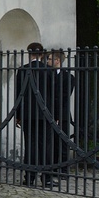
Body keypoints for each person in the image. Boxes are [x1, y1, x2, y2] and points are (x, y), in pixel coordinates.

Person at [15, 42, 56, 188]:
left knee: (30, 145)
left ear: (29, 53)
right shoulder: (49, 70)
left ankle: (30, 177)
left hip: (28, 114)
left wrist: (18, 115)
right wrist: (55, 114)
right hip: (46, 114)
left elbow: (18, 95)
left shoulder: (23, 70)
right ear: (42, 54)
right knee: (46, 146)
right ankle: (47, 178)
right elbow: (54, 95)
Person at [48, 49, 75, 179]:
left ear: (57, 60)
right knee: (49, 142)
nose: (47, 61)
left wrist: (57, 115)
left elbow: (64, 97)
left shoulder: (69, 77)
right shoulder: (46, 75)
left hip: (62, 114)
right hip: (47, 113)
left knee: (63, 142)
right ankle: (51, 167)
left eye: (49, 59)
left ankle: (63, 169)